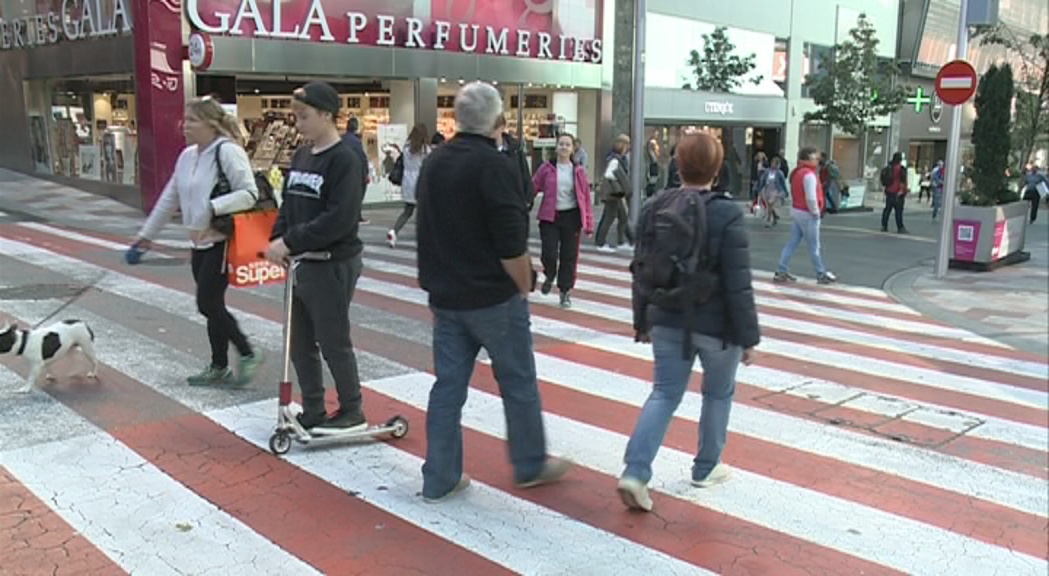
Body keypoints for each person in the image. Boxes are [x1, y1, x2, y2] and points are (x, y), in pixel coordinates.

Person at [415, 81, 571, 503]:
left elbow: (426, 227)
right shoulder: (495, 166)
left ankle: (440, 475)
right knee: (518, 381)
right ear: (498, 122)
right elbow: (510, 244)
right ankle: (529, 463)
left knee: (448, 388)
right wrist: (525, 286)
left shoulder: (435, 163)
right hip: (492, 298)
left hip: (447, 296)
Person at [618, 131, 760, 512]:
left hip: (666, 317)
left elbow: (641, 270)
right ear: (717, 168)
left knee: (664, 393)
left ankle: (635, 471)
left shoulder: (654, 206)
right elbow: (738, 281)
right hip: (717, 326)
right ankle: (706, 466)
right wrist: (748, 338)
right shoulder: (727, 212)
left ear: (677, 164)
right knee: (717, 393)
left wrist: (642, 321)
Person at [130, 96, 264, 387]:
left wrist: (213, 207)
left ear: (210, 123)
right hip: (197, 243)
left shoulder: (227, 151)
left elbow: (249, 193)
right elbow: (169, 197)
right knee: (212, 304)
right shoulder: (188, 156)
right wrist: (145, 237)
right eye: (185, 119)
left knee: (207, 302)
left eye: (191, 120)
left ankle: (248, 352)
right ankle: (219, 365)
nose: (184, 125)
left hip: (221, 240)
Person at [265, 82, 368, 433]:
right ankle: (313, 407)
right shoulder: (302, 156)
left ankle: (352, 408)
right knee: (300, 341)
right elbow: (289, 202)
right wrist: (277, 238)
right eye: (296, 116)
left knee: (332, 338)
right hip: (302, 263)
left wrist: (290, 241)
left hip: (331, 261)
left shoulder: (345, 160)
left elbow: (340, 218)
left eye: (304, 116)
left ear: (326, 114)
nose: (299, 123)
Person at [531, 133, 595, 308]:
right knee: (549, 253)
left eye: (567, 145)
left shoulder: (579, 171)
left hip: (571, 217)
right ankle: (550, 273)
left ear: (573, 148)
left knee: (569, 256)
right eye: (561, 144)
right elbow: (534, 187)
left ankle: (565, 291)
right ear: (556, 147)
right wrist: (523, 201)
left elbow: (586, 199)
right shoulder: (546, 168)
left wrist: (588, 223)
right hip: (549, 217)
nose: (564, 148)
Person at [773, 147, 838, 285]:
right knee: (814, 246)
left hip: (797, 210)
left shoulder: (797, 173)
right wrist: (816, 213)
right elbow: (811, 198)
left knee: (792, 242)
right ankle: (820, 273)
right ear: (807, 159)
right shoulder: (809, 175)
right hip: (808, 213)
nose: (817, 160)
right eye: (814, 158)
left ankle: (781, 270)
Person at [386, 124, 430, 248]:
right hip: (420, 182)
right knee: (424, 212)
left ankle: (394, 231)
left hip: (407, 181)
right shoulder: (425, 150)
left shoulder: (406, 148)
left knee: (407, 211)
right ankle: (424, 236)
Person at [595, 134, 634, 252]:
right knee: (611, 217)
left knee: (620, 216)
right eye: (627, 145)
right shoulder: (616, 160)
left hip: (614, 194)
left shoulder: (615, 158)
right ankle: (602, 242)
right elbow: (609, 175)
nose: (628, 147)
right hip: (614, 194)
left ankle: (621, 241)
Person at [342, 116, 371, 225]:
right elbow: (362, 158)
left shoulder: (342, 139)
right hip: (355, 173)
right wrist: (366, 173)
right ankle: (356, 216)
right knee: (357, 195)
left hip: (343, 172)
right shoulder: (356, 142)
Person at [881, 152, 909, 234]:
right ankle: (900, 227)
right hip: (898, 192)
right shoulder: (901, 169)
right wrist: (903, 191)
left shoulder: (889, 167)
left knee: (887, 209)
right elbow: (903, 181)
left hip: (889, 191)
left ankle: (884, 226)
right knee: (898, 211)